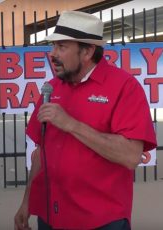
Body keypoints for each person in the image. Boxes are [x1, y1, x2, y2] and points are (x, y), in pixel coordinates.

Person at [14, 10, 157, 230]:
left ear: (88, 51)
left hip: (102, 221)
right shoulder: (51, 88)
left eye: (61, 47)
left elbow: (130, 156)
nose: (53, 54)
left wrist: (71, 125)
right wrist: (27, 202)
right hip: (50, 217)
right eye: (53, 47)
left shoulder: (124, 87)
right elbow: (40, 154)